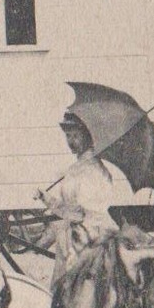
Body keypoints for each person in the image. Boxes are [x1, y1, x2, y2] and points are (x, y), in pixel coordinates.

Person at [39, 110, 135, 289]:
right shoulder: (75, 169)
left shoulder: (95, 171)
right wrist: (48, 200)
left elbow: (83, 215)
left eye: (75, 136)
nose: (70, 141)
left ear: (87, 137)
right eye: (68, 136)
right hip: (70, 238)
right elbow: (68, 209)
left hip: (91, 237)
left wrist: (53, 206)